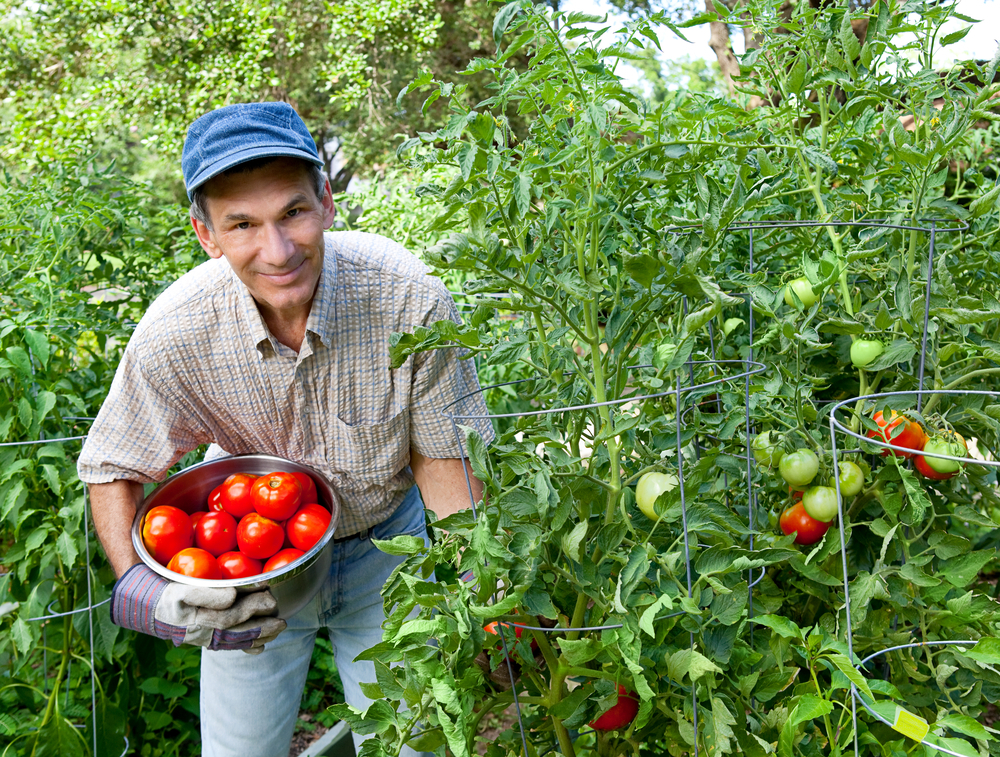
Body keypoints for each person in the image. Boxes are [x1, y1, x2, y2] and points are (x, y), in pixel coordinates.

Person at [77, 101, 493, 757]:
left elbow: (444, 463)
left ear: (326, 200)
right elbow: (112, 467)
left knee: (412, 744)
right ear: (205, 233)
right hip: (246, 574)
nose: (277, 250)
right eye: (242, 223)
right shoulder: (176, 334)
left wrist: (479, 595)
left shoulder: (407, 299)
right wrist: (146, 592)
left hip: (389, 551)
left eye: (293, 212)